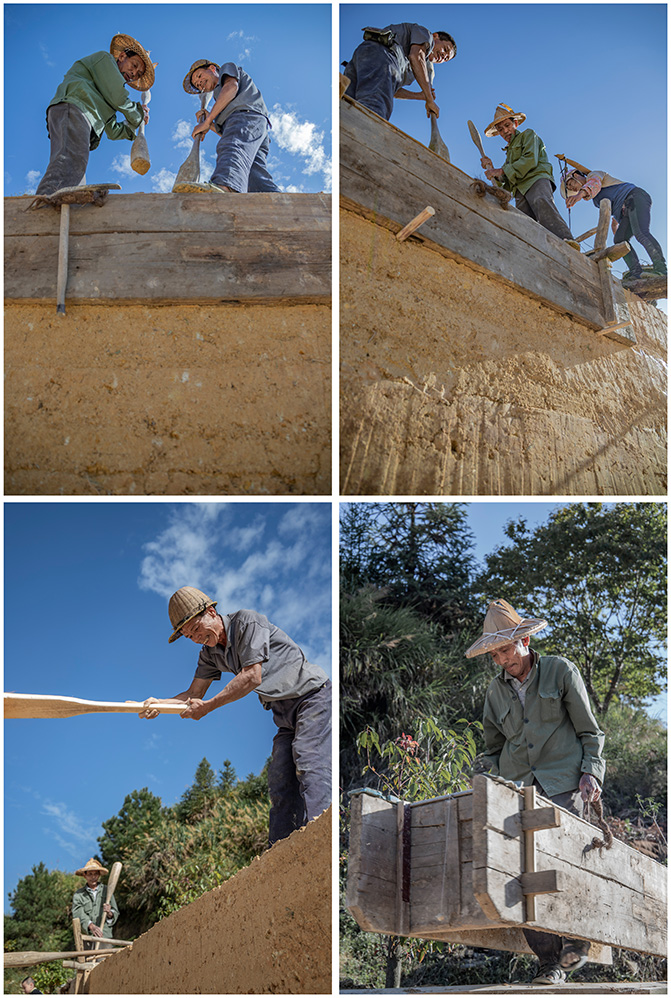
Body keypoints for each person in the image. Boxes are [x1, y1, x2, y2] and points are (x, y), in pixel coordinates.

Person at [466, 598, 606, 986]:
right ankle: (548, 961)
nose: (501, 660)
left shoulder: (560, 671)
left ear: (524, 641)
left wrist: (591, 773)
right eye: (494, 654)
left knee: (571, 864)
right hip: (518, 790)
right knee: (521, 872)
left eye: (506, 650)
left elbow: (590, 732)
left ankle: (577, 944)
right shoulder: (495, 693)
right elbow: (492, 748)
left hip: (564, 783)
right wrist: (494, 779)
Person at [140, 587, 331, 844]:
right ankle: (282, 855)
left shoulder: (247, 622)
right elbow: (192, 693)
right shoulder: (209, 654)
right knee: (281, 778)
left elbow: (252, 676)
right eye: (189, 636)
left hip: (312, 697)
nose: (196, 638)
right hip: (283, 715)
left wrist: (207, 706)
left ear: (211, 612)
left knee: (309, 760)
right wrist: (156, 704)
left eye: (196, 629)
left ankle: (321, 836)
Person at [35, 33, 154, 198]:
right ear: (122, 56)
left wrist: (133, 123)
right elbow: (118, 96)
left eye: (138, 73)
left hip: (83, 120)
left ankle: (64, 213)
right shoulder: (104, 60)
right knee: (69, 164)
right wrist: (138, 114)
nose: (134, 73)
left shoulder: (109, 99)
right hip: (74, 109)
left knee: (77, 175)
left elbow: (113, 131)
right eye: (134, 65)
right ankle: (44, 205)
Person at [174, 59, 280, 194]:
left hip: (247, 116)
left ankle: (224, 187)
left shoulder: (226, 70)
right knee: (255, 175)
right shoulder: (219, 101)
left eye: (199, 76)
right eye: (197, 84)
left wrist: (208, 121)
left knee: (231, 146)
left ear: (212, 69)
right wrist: (209, 124)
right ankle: (277, 202)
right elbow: (227, 133)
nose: (199, 83)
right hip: (255, 128)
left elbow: (231, 87)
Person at [481, 103, 578, 247]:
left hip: (536, 179)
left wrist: (500, 171)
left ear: (515, 123)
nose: (505, 131)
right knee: (524, 220)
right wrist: (494, 173)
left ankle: (567, 241)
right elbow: (506, 182)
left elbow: (530, 159)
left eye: (507, 125)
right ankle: (539, 250)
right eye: (501, 129)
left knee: (541, 201)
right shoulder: (508, 156)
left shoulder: (528, 135)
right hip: (520, 189)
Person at [562, 165, 667, 282]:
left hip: (634, 197)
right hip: (625, 210)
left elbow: (594, 183)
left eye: (571, 184)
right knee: (619, 240)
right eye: (570, 188)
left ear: (576, 175)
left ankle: (661, 270)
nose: (573, 189)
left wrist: (579, 195)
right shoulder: (595, 199)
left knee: (641, 233)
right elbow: (613, 206)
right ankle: (636, 273)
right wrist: (615, 224)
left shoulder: (594, 175)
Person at [342, 23, 456, 122]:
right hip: (381, 54)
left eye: (445, 59)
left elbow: (390, 89)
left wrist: (419, 96)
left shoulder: (411, 71)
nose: (442, 56)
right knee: (374, 109)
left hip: (364, 61)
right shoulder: (426, 35)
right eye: (445, 49)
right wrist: (429, 99)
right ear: (435, 36)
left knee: (346, 107)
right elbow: (416, 56)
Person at [71, 859, 119, 948]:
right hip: (87, 938)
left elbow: (115, 912)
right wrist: (90, 925)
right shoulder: (79, 895)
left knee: (105, 961)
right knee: (87, 961)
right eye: (90, 874)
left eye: (95, 874)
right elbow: (77, 913)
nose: (93, 877)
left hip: (104, 937)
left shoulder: (107, 890)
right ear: (84, 875)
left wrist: (109, 913)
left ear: (99, 875)